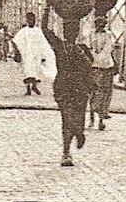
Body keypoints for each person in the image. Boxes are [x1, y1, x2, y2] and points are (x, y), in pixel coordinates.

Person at [42, 9, 93, 166]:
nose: (69, 31)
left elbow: (89, 68)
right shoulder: (59, 46)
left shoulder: (83, 49)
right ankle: (66, 153)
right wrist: (47, 8)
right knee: (67, 118)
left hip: (79, 88)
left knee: (76, 118)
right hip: (64, 86)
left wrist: (91, 84)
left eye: (73, 29)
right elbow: (45, 30)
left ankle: (78, 132)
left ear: (77, 31)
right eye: (67, 29)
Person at [86, 14, 117, 131]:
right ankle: (92, 118)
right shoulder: (90, 34)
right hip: (95, 66)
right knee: (94, 91)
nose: (101, 26)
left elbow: (109, 49)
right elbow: (89, 48)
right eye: (99, 24)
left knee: (106, 91)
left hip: (106, 66)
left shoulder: (108, 34)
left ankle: (101, 118)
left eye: (103, 24)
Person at [13, 12, 53, 96]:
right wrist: (17, 52)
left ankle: (34, 86)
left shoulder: (38, 31)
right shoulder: (23, 31)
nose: (32, 21)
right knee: (27, 71)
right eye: (30, 19)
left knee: (36, 71)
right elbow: (15, 41)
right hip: (26, 54)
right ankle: (28, 89)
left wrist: (43, 55)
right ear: (27, 20)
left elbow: (43, 43)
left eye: (33, 20)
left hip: (36, 54)